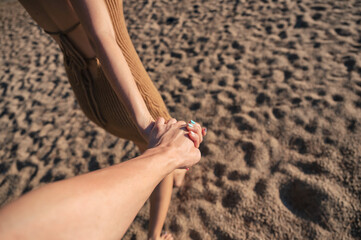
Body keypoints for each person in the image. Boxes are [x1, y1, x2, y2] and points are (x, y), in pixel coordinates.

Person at [17, 1, 206, 239]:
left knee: (148, 147)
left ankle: (175, 174)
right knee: (160, 149)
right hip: (121, 89)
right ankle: (155, 235)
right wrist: (146, 122)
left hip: (86, 91)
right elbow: (102, 36)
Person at [0, 118, 203, 240]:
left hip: (93, 100)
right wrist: (166, 153)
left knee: (149, 144)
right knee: (156, 152)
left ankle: (173, 169)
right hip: (109, 100)